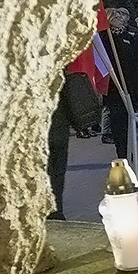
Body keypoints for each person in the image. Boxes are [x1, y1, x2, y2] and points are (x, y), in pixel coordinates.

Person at [48, 69, 101, 220]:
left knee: (48, 170)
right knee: (57, 172)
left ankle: (50, 209)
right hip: (59, 124)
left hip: (44, 127)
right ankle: (56, 209)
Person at [98, 7, 138, 159]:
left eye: (120, 15)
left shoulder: (128, 34)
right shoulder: (104, 38)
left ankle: (129, 148)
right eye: (115, 15)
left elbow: (137, 56)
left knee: (129, 119)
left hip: (130, 84)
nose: (120, 18)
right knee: (118, 119)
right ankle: (122, 152)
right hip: (114, 87)